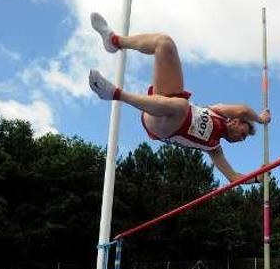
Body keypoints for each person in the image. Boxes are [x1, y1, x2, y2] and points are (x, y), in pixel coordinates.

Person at [87, 12, 270, 183]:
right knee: (164, 43)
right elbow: (243, 110)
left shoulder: (214, 148)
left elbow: (233, 177)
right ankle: (114, 41)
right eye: (243, 134)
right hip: (167, 103)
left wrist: (257, 178)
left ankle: (114, 94)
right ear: (236, 122)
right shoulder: (217, 112)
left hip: (162, 126)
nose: (241, 139)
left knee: (181, 105)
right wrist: (260, 119)